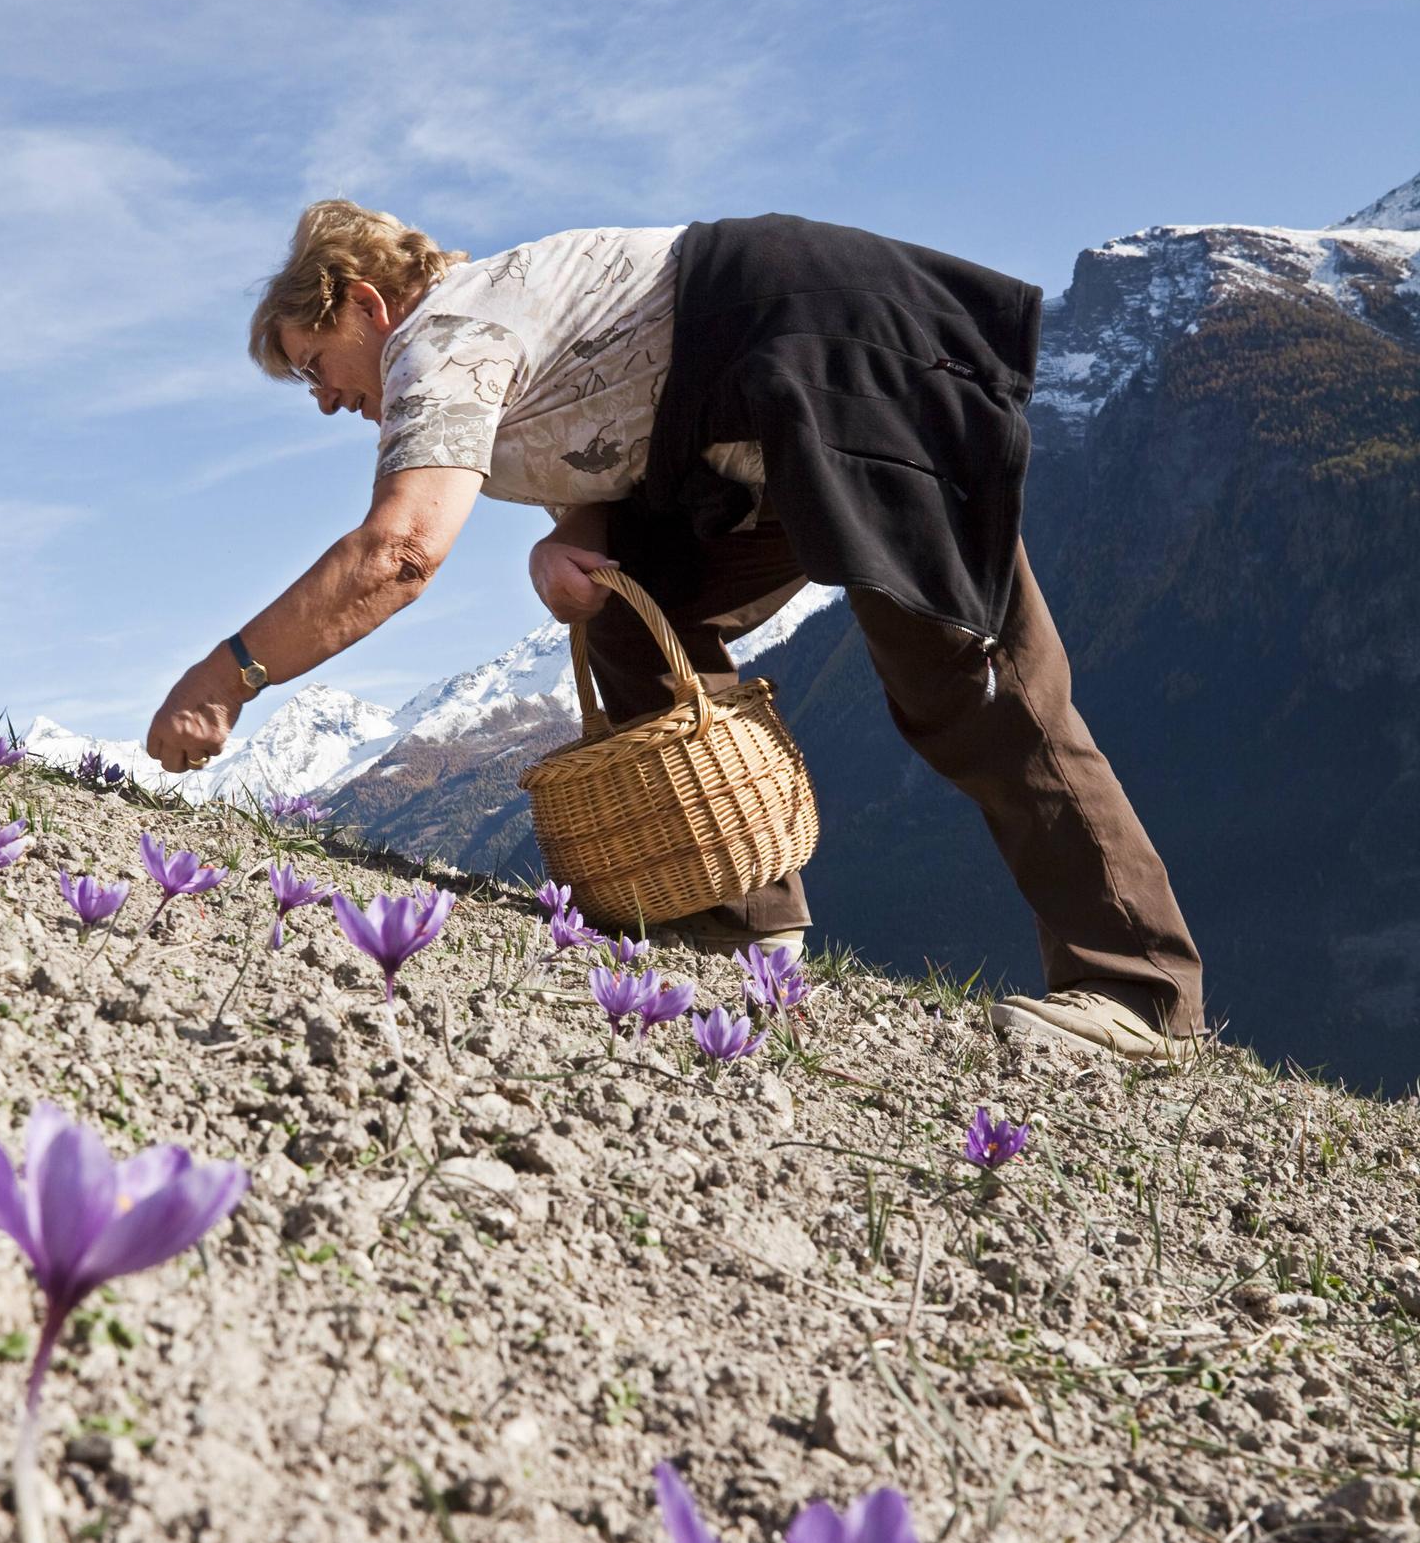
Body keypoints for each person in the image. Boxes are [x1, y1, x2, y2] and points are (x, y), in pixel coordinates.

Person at [143, 199, 1204, 1060]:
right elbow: (613, 433)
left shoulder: (442, 335)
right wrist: (571, 538)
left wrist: (227, 674)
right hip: (756, 422)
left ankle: (1137, 990)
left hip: (843, 364)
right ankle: (740, 922)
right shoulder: (490, 326)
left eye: (311, 362)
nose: (323, 400)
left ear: (368, 304)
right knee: (633, 609)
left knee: (966, 677)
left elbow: (402, 551)